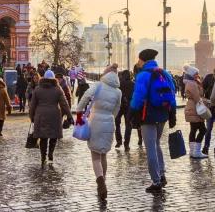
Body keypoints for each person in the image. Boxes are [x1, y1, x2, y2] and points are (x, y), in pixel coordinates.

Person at [129, 48, 176, 194]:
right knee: (156, 144)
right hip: (162, 114)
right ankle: (162, 174)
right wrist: (172, 113)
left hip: (147, 115)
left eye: (139, 59)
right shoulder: (164, 73)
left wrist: (132, 112)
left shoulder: (143, 75)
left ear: (143, 60)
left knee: (150, 148)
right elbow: (172, 93)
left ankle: (156, 181)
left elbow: (138, 97)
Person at [73, 65, 121, 199]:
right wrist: (110, 117)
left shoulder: (98, 85)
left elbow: (85, 97)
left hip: (96, 121)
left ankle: (100, 181)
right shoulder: (118, 91)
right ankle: (103, 181)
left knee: (95, 156)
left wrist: (79, 112)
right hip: (109, 121)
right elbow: (117, 109)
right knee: (103, 154)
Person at [29, 69, 69, 164]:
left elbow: (32, 105)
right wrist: (69, 115)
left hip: (41, 115)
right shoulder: (58, 89)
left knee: (43, 137)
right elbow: (64, 103)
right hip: (54, 115)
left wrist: (32, 117)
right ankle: (50, 154)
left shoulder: (38, 89)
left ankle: (43, 156)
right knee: (53, 136)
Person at [182, 65, 208, 159]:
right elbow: (197, 97)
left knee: (193, 129)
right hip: (195, 108)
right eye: (196, 73)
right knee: (202, 129)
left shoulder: (191, 83)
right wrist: (206, 102)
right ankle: (196, 151)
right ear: (192, 74)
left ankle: (193, 151)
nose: (198, 75)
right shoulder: (192, 84)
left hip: (192, 107)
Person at [201, 59, 215, 156]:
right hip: (210, 106)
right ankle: (206, 147)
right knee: (209, 128)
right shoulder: (209, 77)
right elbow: (202, 90)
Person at [117, 69, 141, 151]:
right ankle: (126, 144)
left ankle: (118, 140)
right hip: (129, 107)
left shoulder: (119, 84)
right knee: (128, 125)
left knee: (117, 124)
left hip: (120, 106)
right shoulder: (133, 84)